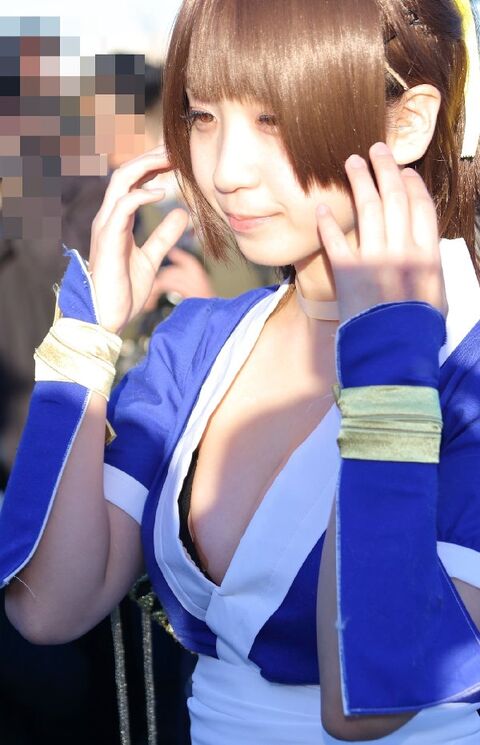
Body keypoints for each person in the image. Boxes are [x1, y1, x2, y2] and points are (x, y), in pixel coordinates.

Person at [1, 1, 480, 743]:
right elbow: (49, 607)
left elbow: (369, 698)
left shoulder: (464, 367)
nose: (225, 171)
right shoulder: (202, 341)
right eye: (201, 115)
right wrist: (83, 344)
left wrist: (389, 374)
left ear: (408, 123)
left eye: (273, 119)